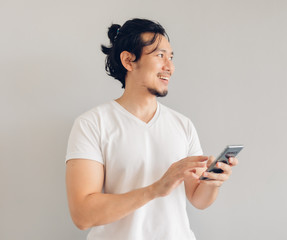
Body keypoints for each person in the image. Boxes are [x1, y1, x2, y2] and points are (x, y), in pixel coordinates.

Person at [65, 18, 238, 240]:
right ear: (128, 60)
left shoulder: (182, 124)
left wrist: (214, 183)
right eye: (160, 55)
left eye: (171, 57)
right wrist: (155, 189)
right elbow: (83, 215)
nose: (170, 67)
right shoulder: (92, 124)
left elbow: (198, 199)